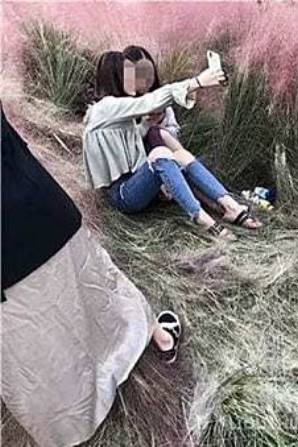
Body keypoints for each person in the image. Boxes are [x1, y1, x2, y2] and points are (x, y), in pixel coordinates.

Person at [2, 103, 182, 447]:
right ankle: (147, 336)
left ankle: (67, 419)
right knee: (86, 290)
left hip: (28, 223)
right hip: (35, 211)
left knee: (33, 339)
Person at [83, 51, 261, 242]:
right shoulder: (104, 108)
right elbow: (149, 101)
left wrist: (146, 124)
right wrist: (197, 81)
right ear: (116, 77)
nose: (135, 79)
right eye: (129, 74)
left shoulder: (116, 111)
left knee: (181, 155)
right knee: (161, 153)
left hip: (139, 184)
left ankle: (231, 207)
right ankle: (202, 220)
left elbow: (133, 139)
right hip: (123, 195)